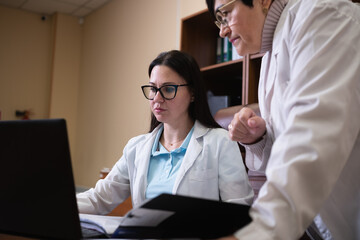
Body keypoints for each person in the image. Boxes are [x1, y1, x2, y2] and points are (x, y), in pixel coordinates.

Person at [206, 0, 360, 239]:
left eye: (225, 14)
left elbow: (311, 139)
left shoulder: (321, 14)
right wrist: (258, 140)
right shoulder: (268, 57)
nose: (222, 30)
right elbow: (282, 159)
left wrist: (255, 234)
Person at [76, 50, 254, 214]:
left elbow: (238, 211)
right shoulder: (136, 148)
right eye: (153, 89)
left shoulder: (219, 142)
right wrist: (53, 207)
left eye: (168, 89)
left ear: (192, 93)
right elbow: (99, 199)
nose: (157, 98)